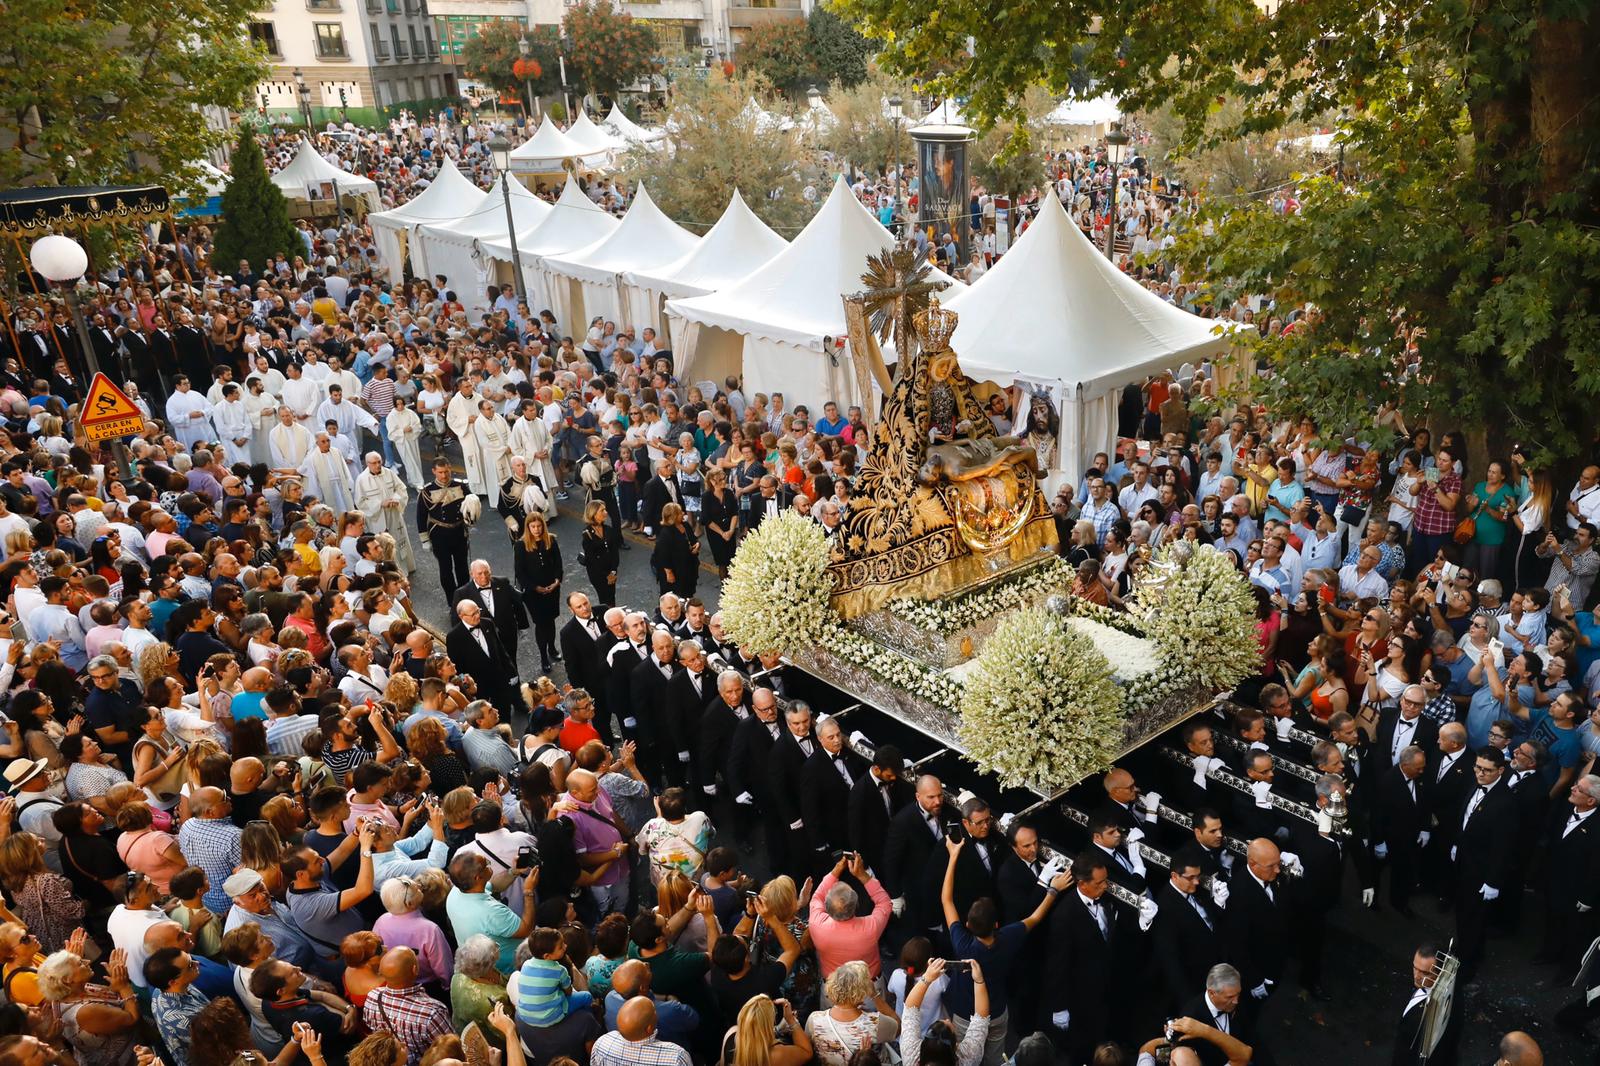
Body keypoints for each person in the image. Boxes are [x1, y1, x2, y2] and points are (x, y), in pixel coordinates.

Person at [804, 961, 899, 1066]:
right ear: (863, 992)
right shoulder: (875, 1023)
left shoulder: (814, 1019)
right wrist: (874, 995)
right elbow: (898, 1026)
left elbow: (807, 1050)